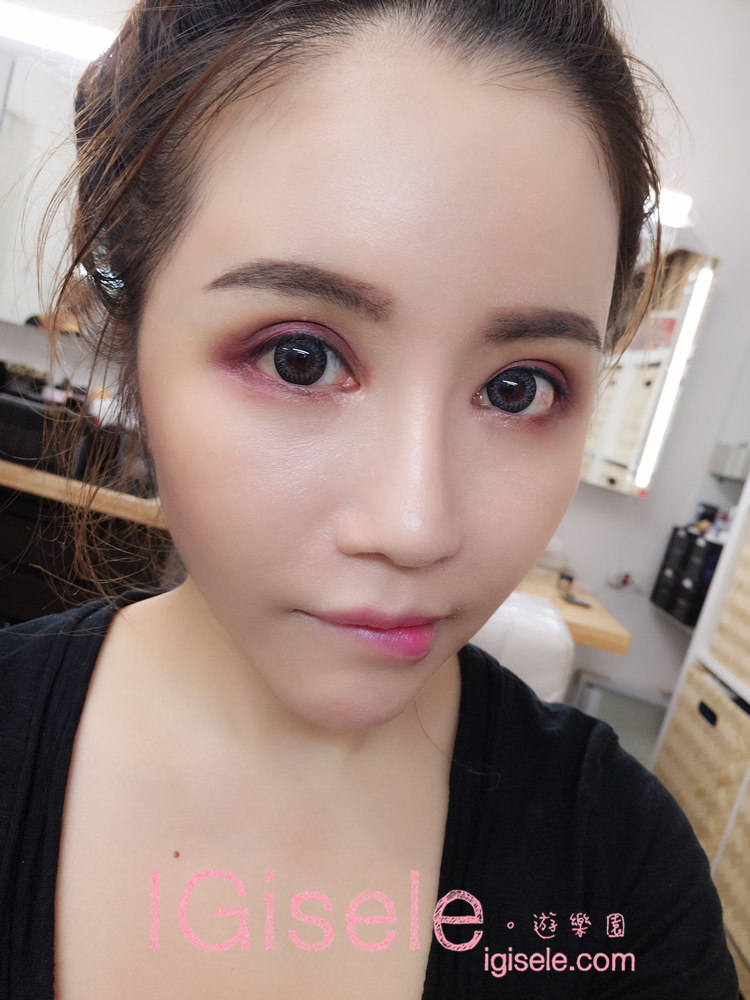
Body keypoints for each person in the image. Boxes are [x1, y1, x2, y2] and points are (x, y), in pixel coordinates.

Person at [0, 1, 739, 997]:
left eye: (518, 388)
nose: (416, 526)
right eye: (299, 359)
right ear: (132, 342)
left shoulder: (623, 882)